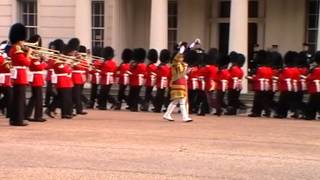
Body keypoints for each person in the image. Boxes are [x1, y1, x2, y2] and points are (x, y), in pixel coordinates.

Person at [8, 23, 32, 126]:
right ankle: (18, 120)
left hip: (18, 74)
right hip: (20, 75)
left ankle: (14, 119)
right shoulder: (17, 48)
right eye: (22, 39)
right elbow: (26, 62)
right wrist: (29, 53)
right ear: (19, 38)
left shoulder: (15, 48)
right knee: (20, 99)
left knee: (17, 98)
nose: (24, 41)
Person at [163, 46, 192, 122]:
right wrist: (180, 52)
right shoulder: (175, 64)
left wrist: (192, 45)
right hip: (178, 83)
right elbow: (177, 59)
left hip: (182, 82)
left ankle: (167, 114)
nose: (182, 58)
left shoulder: (182, 65)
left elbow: (182, 72)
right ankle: (185, 117)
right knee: (182, 101)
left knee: (175, 101)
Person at [25, 34, 47, 122]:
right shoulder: (31, 54)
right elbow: (37, 67)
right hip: (36, 77)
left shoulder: (35, 54)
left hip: (37, 77)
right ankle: (38, 116)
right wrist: (44, 62)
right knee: (38, 98)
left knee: (34, 97)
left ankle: (27, 114)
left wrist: (41, 59)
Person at [274, 51, 301, 119]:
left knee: (283, 102)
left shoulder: (286, 70)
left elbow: (282, 79)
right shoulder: (296, 70)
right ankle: (295, 112)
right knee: (292, 102)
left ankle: (281, 114)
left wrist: (278, 77)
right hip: (294, 88)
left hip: (286, 88)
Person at [248, 50, 274, 117]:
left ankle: (257, 112)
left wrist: (250, 78)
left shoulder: (260, 69)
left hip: (260, 86)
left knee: (257, 100)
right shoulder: (270, 69)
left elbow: (257, 78)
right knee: (264, 100)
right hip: (267, 86)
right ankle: (265, 111)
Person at [71, 44, 88, 115]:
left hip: (81, 77)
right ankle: (79, 109)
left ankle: (76, 108)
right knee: (77, 94)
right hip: (75, 77)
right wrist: (77, 59)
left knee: (78, 94)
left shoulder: (82, 59)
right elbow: (74, 66)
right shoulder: (73, 59)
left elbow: (86, 66)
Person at [303, 51, 320, 120]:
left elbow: (310, 78)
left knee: (312, 103)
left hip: (316, 89)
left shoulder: (316, 69)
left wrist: (307, 76)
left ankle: (310, 115)